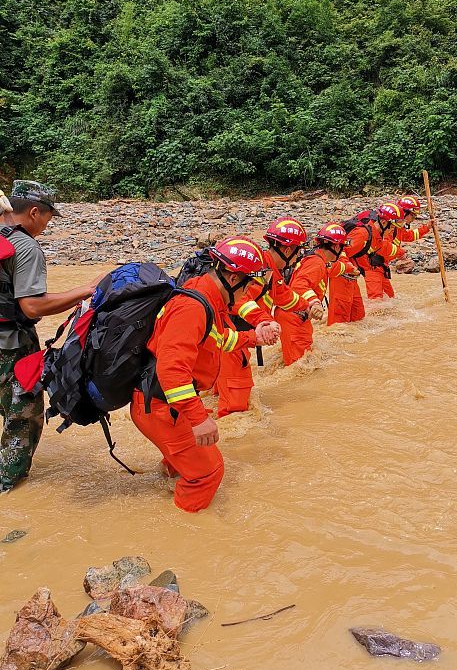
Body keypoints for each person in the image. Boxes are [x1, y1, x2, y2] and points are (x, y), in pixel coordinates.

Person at [130, 236, 280, 512]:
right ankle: (184, 534)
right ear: (234, 278)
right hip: (161, 405)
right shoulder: (193, 307)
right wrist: (198, 418)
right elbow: (171, 369)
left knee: (185, 465)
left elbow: (216, 341)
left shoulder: (206, 294)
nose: (249, 294)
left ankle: (172, 483)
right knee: (208, 472)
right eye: (249, 285)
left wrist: (253, 338)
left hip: (160, 403)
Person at [0, 180, 101, 493]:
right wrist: (86, 290)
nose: (46, 224)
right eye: (47, 217)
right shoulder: (26, 247)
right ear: (33, 212)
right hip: (10, 346)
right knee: (23, 418)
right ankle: (8, 487)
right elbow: (31, 307)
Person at [215, 217, 308, 417]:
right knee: (236, 409)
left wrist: (308, 305)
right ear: (286, 250)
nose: (298, 257)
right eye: (298, 250)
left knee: (219, 393)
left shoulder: (269, 271)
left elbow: (285, 298)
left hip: (228, 338)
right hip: (232, 340)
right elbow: (240, 301)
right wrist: (265, 321)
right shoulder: (257, 271)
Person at [276, 223, 349, 365]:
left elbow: (330, 271)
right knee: (299, 369)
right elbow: (299, 285)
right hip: (294, 318)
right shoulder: (316, 262)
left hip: (295, 316)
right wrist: (315, 302)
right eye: (342, 247)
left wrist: (349, 268)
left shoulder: (316, 259)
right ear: (335, 247)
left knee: (301, 361)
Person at [363, 203, 402, 300]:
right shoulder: (367, 233)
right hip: (373, 268)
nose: (393, 229)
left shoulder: (380, 231)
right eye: (392, 227)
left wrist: (427, 227)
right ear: (384, 222)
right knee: (376, 301)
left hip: (381, 268)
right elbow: (385, 249)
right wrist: (401, 252)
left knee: (390, 298)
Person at [391, 196, 432, 273]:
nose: (413, 219)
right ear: (404, 213)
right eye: (413, 215)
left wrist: (427, 227)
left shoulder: (398, 227)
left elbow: (408, 236)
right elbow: (384, 246)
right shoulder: (390, 227)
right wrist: (400, 253)